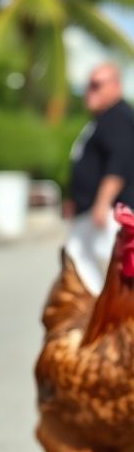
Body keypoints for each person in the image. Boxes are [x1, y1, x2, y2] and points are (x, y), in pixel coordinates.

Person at [66, 62, 134, 292]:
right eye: (88, 85)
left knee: (109, 268)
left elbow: (119, 162)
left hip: (110, 211)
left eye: (97, 85)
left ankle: (106, 319)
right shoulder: (103, 120)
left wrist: (103, 202)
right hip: (93, 210)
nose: (89, 91)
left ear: (115, 85)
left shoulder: (118, 117)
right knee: (77, 261)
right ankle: (98, 316)